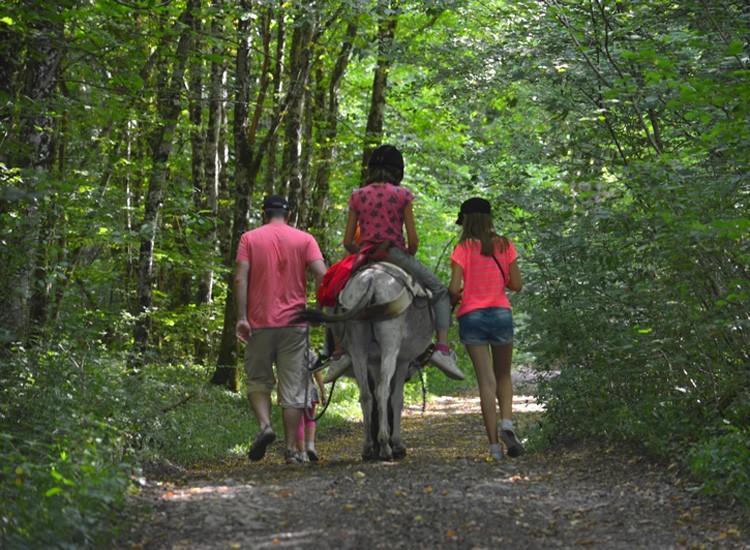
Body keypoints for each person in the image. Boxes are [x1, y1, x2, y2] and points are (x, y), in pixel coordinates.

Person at [325, 144, 464, 381]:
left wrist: (361, 252)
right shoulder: (403, 195)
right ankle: (441, 349)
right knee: (440, 291)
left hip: (365, 254)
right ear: (398, 171)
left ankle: (338, 353)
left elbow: (348, 241)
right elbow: (414, 240)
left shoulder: (357, 196)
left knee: (332, 292)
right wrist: (406, 253)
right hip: (395, 254)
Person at [235, 195, 327, 465]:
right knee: (294, 390)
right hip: (295, 325)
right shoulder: (305, 239)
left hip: (258, 323)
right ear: (288, 214)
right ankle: (291, 449)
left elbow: (240, 276)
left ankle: (265, 426)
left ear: (264, 213)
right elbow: (323, 274)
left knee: (257, 381)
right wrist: (319, 307)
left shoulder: (249, 239)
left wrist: (241, 317)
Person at [447, 197, 524, 460]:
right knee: (503, 375)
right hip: (501, 314)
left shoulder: (463, 247)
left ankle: (494, 447)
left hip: (472, 316)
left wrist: (454, 297)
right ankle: (507, 423)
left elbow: (454, 288)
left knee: (485, 381)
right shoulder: (504, 244)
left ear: (466, 221)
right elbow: (516, 284)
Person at [296, 349, 327, 462]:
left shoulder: (287, 353)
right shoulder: (310, 354)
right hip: (310, 391)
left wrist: (280, 393)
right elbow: (317, 374)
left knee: (298, 423)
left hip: (294, 393)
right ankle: (310, 446)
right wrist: (323, 392)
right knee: (310, 419)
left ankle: (302, 453)